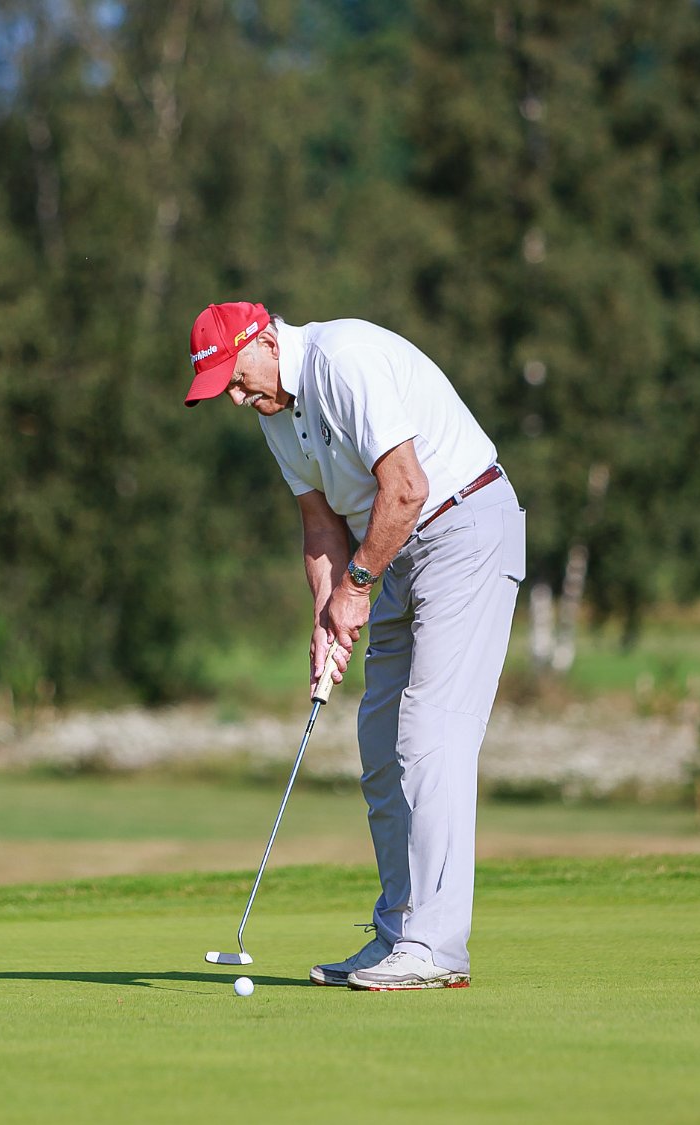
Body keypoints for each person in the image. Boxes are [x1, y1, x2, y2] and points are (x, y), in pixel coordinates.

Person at [183, 302, 525, 990]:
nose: (238, 396)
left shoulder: (344, 359)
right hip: (391, 548)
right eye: (223, 389)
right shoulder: (275, 416)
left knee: (431, 733)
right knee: (380, 741)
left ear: (265, 339)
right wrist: (325, 615)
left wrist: (357, 587)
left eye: (237, 377)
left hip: (462, 525)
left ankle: (436, 946)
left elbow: (407, 486)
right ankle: (400, 932)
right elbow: (321, 527)